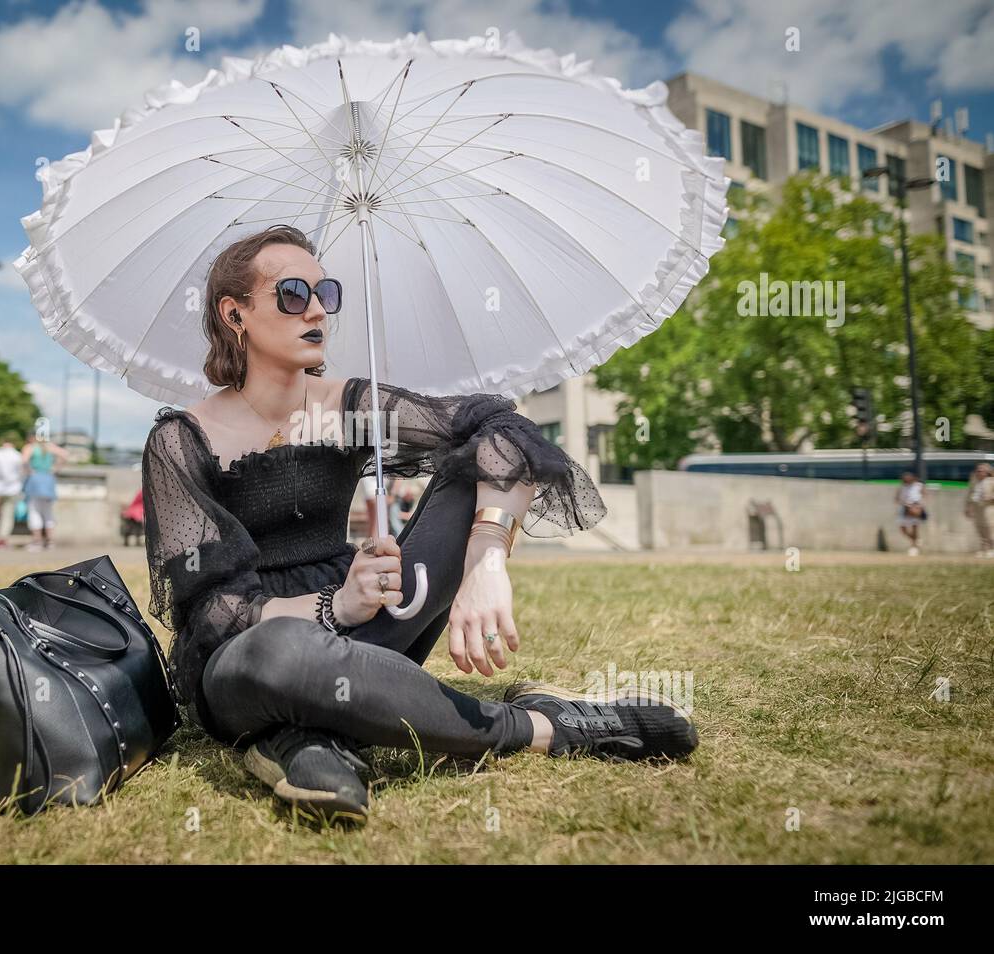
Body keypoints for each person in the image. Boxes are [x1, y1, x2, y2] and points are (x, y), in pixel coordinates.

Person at [141, 225, 698, 826]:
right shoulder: (180, 440)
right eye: (293, 292)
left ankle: (308, 738)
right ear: (235, 313)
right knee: (280, 657)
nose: (318, 308)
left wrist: (487, 560)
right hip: (251, 650)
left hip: (372, 622)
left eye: (326, 291)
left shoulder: (350, 406)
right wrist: (335, 608)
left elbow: (503, 431)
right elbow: (213, 612)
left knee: (471, 466)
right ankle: (548, 726)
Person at [22, 431, 68, 551]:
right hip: (48, 480)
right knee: (48, 513)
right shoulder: (50, 447)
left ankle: (37, 541)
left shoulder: (30, 447)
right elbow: (64, 454)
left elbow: (24, 460)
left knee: (34, 512)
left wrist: (29, 471)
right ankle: (50, 541)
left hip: (35, 480)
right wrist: (56, 468)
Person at [0, 434, 25, 548]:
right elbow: (20, 473)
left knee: (2, 513)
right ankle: (2, 538)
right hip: (12, 489)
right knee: (7, 514)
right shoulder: (17, 455)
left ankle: (0, 536)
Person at [895, 470, 928, 556]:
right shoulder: (902, 487)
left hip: (916, 507)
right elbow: (897, 498)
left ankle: (914, 547)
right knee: (902, 528)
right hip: (905, 508)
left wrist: (919, 506)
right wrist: (904, 504)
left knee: (914, 527)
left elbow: (925, 496)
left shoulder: (919, 486)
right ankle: (915, 541)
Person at [965, 462, 994, 558]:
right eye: (977, 471)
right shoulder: (974, 482)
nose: (978, 472)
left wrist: (990, 497)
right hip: (977, 508)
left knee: (989, 528)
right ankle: (983, 549)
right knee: (979, 528)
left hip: (989, 508)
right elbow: (970, 495)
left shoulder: (991, 481)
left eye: (981, 471)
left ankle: (991, 549)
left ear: (987, 472)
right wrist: (968, 507)